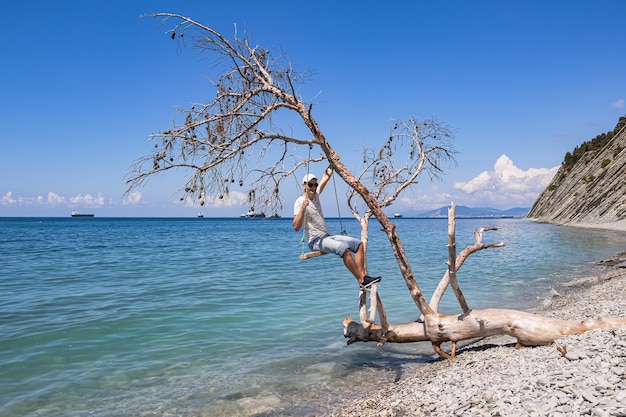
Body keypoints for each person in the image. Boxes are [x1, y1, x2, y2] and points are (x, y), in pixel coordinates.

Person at [293, 167, 381, 288]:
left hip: (327, 237)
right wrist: (303, 208)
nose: (313, 188)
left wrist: (331, 163)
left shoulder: (316, 195)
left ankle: (363, 277)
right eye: (310, 185)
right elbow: (296, 227)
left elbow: (326, 177)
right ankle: (361, 280)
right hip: (315, 241)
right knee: (343, 248)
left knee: (359, 244)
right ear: (304, 185)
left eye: (315, 184)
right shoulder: (299, 201)